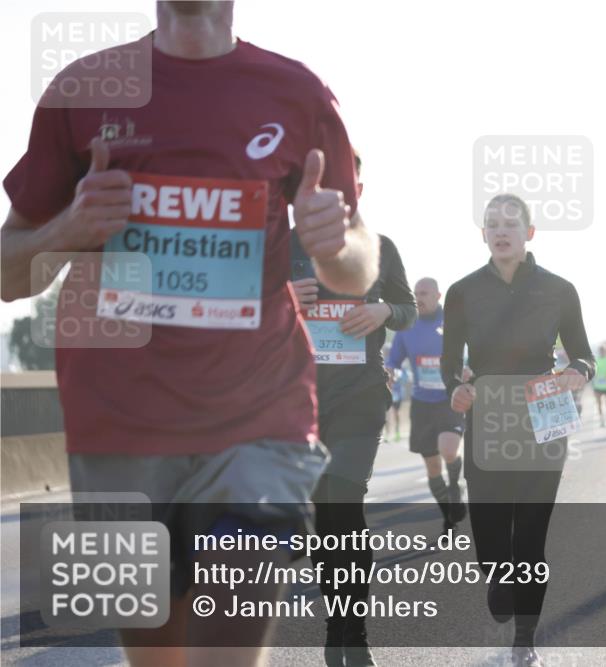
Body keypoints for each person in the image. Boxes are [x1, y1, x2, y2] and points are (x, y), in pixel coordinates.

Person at [1, 3, 377, 665]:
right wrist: (67, 230)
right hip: (117, 428)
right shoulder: (82, 90)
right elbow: (9, 274)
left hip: (260, 420)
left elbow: (355, 262)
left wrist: (336, 242)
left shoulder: (297, 92)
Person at [442, 194, 593, 667]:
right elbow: (450, 364)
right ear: (482, 234)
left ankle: (524, 641)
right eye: (492, 224)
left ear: (529, 232)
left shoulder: (560, 289)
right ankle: (494, 572)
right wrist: (457, 387)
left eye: (511, 223)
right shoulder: (462, 291)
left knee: (530, 538)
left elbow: (583, 354)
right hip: (487, 419)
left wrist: (577, 374)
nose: (501, 230)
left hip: (543, 419)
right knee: (489, 537)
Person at [291, 149, 416, 667]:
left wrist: (385, 309)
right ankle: (336, 625)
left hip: (361, 399)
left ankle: (353, 635)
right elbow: (239, 316)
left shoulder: (381, 248)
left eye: (346, 184)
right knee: (328, 520)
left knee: (345, 504)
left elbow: (408, 310)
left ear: (357, 190)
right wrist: (280, 298)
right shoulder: (278, 249)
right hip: (299, 403)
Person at [387, 277, 467, 534]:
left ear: (438, 296)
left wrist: (469, 371)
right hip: (421, 404)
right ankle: (448, 518)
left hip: (449, 399)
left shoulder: (453, 323)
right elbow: (393, 362)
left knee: (448, 450)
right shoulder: (406, 327)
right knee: (432, 466)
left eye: (424, 293)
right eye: (415, 293)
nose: (418, 298)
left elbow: (474, 351)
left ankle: (455, 486)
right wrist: (389, 373)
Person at [385, 362, 407, 441]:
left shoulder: (401, 367)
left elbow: (405, 379)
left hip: (398, 394)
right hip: (388, 393)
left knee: (396, 413)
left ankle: (397, 432)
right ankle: (387, 434)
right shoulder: (385, 363)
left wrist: (397, 378)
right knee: (387, 414)